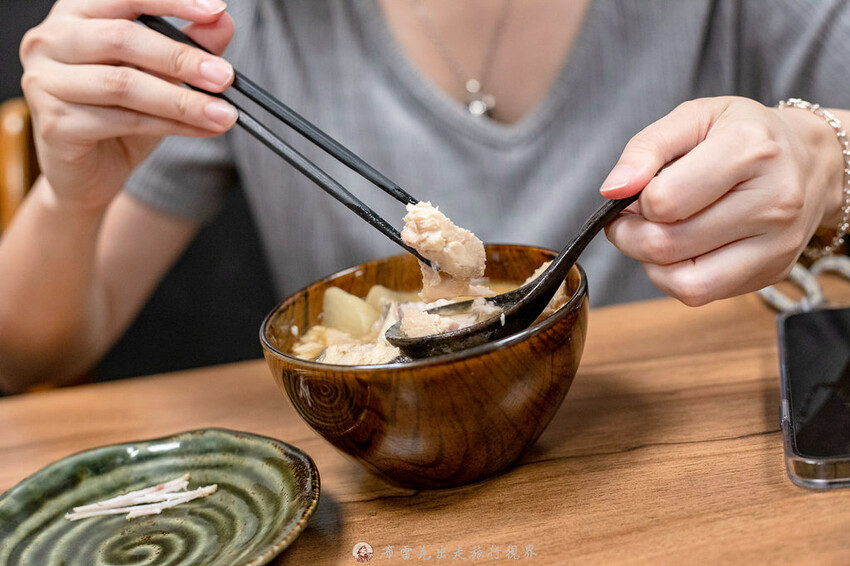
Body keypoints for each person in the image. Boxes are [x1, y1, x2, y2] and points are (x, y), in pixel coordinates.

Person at [1, 0, 849, 393]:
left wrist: (830, 160)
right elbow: (31, 354)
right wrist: (70, 199)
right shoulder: (226, 26)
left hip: (697, 442)